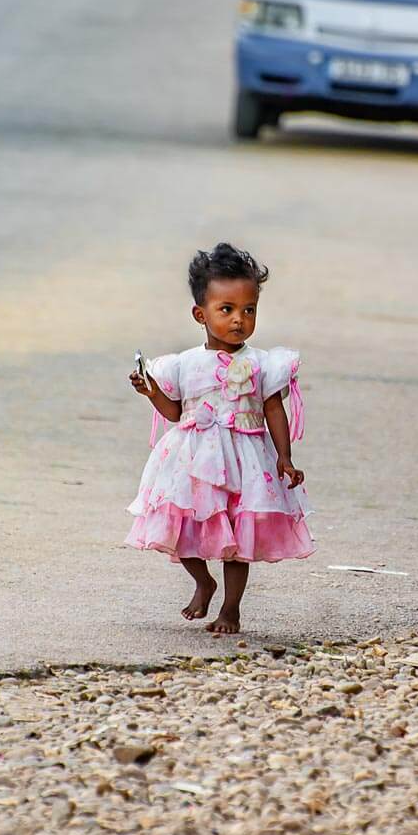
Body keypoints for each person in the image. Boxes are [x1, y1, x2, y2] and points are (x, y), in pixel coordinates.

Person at [126, 243, 314, 634]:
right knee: (183, 529)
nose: (238, 320)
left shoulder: (261, 363)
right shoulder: (182, 364)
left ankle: (231, 609)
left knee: (238, 536)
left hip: (246, 460)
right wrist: (153, 393)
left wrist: (285, 458)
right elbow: (177, 413)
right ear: (201, 313)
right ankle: (202, 582)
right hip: (193, 461)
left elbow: (274, 409)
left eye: (248, 310)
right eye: (226, 310)